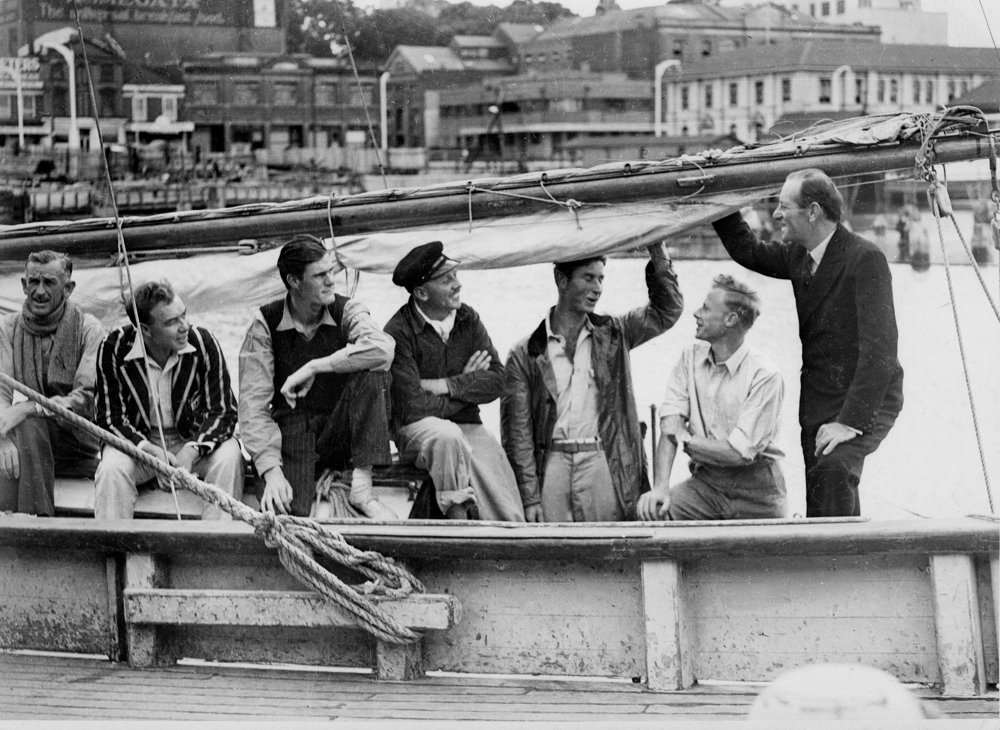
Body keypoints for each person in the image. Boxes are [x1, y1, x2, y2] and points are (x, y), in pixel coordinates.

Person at [712, 168, 904, 517]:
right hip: (819, 399)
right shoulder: (798, 256)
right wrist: (714, 193)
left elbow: (881, 352)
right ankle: (836, 560)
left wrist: (849, 422)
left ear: (813, 211)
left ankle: (838, 565)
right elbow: (747, 249)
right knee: (823, 490)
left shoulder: (864, 258)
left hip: (865, 396)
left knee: (834, 468)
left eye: (784, 206)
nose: (776, 214)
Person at [502, 243, 683, 522]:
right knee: (553, 555)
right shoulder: (524, 354)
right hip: (551, 465)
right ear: (562, 280)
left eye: (601, 278)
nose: (598, 288)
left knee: (610, 553)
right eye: (588, 278)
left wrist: (657, 249)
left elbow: (667, 311)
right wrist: (529, 497)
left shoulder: (615, 332)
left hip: (603, 459)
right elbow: (518, 436)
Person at [240, 235, 397, 519]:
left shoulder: (347, 310)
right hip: (293, 433)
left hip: (341, 432)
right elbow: (252, 408)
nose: (331, 280)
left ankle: (362, 485)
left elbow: (383, 349)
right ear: (294, 281)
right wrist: (271, 472)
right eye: (320, 275)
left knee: (374, 376)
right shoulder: (265, 323)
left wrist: (314, 366)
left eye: (332, 271)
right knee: (286, 512)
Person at [384, 242, 524, 521]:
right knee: (447, 438)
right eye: (447, 279)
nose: (457, 285)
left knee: (506, 504)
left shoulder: (467, 318)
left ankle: (508, 546)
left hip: (469, 425)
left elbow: (498, 379)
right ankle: (459, 523)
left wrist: (448, 384)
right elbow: (413, 407)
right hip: (417, 429)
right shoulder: (398, 332)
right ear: (422, 292)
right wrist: (468, 388)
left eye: (456, 276)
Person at [637, 275, 786, 521]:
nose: (696, 313)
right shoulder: (689, 358)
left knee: (765, 556)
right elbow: (668, 427)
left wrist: (684, 435)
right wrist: (661, 488)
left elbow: (737, 453)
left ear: (730, 319)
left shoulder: (766, 375)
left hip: (758, 495)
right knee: (653, 514)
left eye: (705, 308)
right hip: (706, 485)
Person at [94, 280, 243, 520]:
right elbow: (109, 419)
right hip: (139, 443)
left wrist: (192, 450)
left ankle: (216, 545)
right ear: (145, 330)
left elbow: (223, 412)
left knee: (229, 454)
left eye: (183, 315)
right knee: (111, 469)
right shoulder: (113, 348)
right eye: (172, 322)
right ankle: (115, 550)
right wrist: (150, 451)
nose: (185, 326)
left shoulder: (203, 343)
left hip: (191, 440)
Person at [0, 251, 105, 515]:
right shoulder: (8, 328)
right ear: (24, 285)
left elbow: (86, 398)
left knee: (29, 421)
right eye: (33, 282)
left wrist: (28, 408)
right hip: (29, 440)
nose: (39, 291)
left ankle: (32, 527)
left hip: (76, 446)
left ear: (68, 289)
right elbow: (1, 392)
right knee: (26, 429)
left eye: (49, 283)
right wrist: (2, 440)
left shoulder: (89, 330)